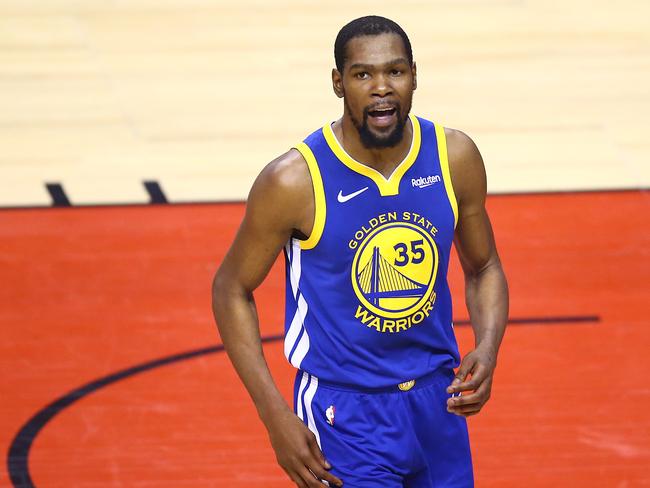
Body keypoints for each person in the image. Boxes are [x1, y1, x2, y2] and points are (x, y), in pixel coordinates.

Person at [212, 15, 508, 488]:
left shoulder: (455, 157)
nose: (381, 88)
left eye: (395, 72)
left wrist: (488, 348)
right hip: (344, 414)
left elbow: (485, 266)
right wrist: (274, 415)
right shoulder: (293, 181)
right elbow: (231, 289)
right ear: (338, 82)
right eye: (363, 74)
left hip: (439, 402)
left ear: (415, 76)